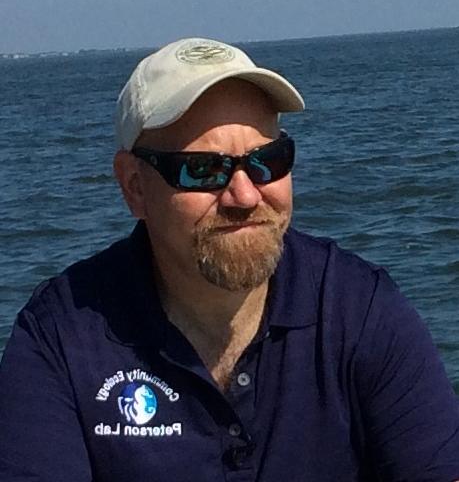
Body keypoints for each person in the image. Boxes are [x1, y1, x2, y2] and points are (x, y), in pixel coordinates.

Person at [0, 37, 458, 482]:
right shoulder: (61, 334)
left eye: (268, 161)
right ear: (134, 186)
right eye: (203, 169)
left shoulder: (359, 309)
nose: (244, 194)